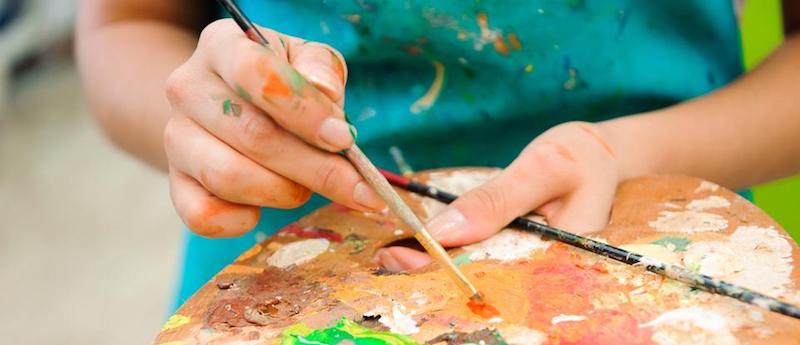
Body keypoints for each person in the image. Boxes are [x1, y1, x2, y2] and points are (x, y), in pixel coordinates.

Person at [76, 0, 800, 309]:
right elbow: (124, 25)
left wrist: (624, 151)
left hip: (647, 224)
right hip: (293, 264)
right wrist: (220, 126)